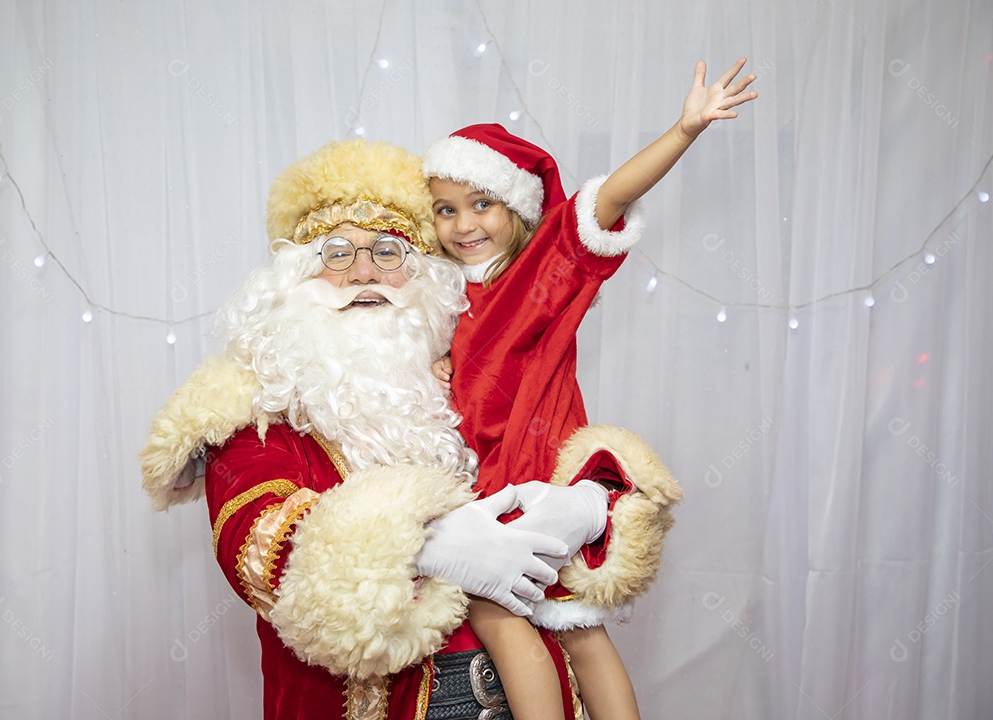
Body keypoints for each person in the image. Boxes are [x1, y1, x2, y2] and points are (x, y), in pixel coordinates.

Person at [139, 138, 678, 720]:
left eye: (389, 252)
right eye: (337, 253)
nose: (365, 271)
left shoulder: (445, 371)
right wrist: (428, 546)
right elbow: (255, 543)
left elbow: (542, 437)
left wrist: (593, 501)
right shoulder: (255, 407)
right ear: (292, 280)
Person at [423, 58, 756, 720]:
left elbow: (606, 202)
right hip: (492, 487)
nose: (463, 224)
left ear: (515, 208)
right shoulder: (440, 296)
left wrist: (683, 130)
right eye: (446, 210)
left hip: (529, 484)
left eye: (481, 203)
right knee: (578, 628)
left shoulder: (541, 270)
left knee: (506, 615)